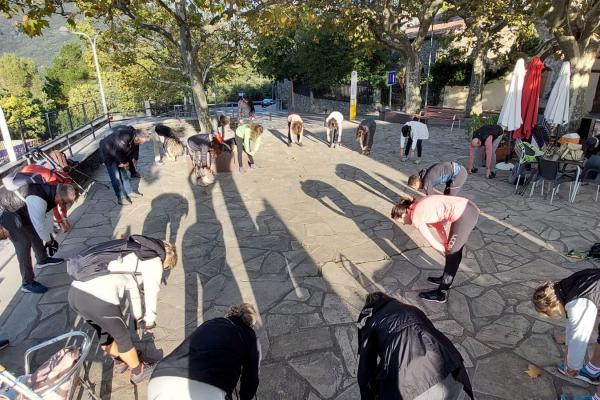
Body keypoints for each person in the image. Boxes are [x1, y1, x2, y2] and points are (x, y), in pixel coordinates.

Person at [67, 235, 177, 385]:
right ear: (166, 261)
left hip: (75, 293)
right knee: (123, 338)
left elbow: (133, 290)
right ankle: (138, 371)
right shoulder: (154, 261)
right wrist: (149, 321)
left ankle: (120, 361)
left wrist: (138, 318)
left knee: (104, 334)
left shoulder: (132, 250)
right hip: (98, 297)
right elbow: (152, 291)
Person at [357, 292, 473, 400]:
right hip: (452, 373)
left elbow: (365, 369)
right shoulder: (412, 309)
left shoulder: (370, 321)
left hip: (415, 389)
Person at [148, 303, 261, 400]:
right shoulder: (249, 335)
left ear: (230, 314)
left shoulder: (211, 323)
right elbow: (251, 377)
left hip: (161, 377)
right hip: (205, 388)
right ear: (251, 324)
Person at [391, 195, 479, 303]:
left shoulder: (416, 216)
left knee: (452, 253)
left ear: (403, 213)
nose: (403, 223)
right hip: (468, 210)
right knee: (454, 250)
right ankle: (445, 280)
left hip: (466, 214)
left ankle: (441, 293)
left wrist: (445, 248)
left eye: (401, 221)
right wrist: (446, 243)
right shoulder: (417, 207)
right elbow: (438, 226)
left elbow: (430, 239)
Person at [532, 269, 600, 398]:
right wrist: (568, 355)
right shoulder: (563, 288)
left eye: (549, 315)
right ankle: (592, 371)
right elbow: (572, 325)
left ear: (552, 307)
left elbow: (579, 337)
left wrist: (573, 367)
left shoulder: (577, 305)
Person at [0, 182, 77, 293]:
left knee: (34, 232)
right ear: (58, 196)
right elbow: (39, 225)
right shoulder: (38, 199)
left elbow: (45, 218)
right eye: (64, 202)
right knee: (23, 242)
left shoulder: (51, 192)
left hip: (19, 209)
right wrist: (49, 242)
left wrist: (50, 236)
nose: (63, 205)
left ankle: (42, 259)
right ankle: (27, 282)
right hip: (5, 209)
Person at [99, 125, 149, 205]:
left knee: (124, 175)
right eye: (144, 141)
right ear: (137, 137)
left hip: (117, 152)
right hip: (108, 152)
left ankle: (129, 192)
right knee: (116, 177)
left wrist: (133, 160)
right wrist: (125, 163)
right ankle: (121, 197)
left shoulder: (135, 138)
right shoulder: (125, 137)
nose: (144, 143)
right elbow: (117, 152)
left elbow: (131, 151)